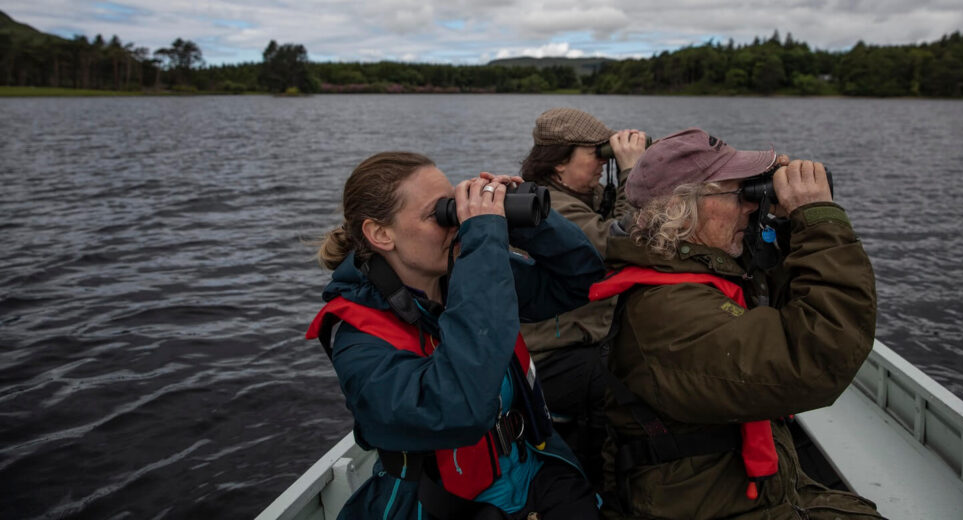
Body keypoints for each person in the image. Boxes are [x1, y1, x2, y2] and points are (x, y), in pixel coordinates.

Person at [590, 129, 883, 520]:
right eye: (739, 193)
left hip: (732, 488)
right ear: (685, 208)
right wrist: (820, 222)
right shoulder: (669, 313)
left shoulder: (688, 268)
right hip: (713, 506)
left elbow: (778, 298)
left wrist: (788, 222)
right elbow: (816, 356)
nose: (750, 205)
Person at [306, 151, 606, 520]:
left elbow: (580, 280)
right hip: (442, 504)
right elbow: (459, 411)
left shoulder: (459, 279)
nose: (457, 222)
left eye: (455, 205)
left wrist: (531, 224)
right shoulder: (359, 344)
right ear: (381, 234)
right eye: (441, 214)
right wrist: (482, 240)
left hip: (529, 470)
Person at [517, 108, 648, 486]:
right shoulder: (546, 207)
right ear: (558, 165)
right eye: (596, 153)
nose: (600, 163)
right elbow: (622, 243)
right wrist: (632, 174)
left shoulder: (578, 197)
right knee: (631, 379)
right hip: (549, 359)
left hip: (581, 345)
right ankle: (609, 481)